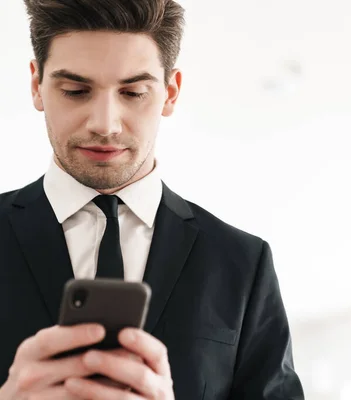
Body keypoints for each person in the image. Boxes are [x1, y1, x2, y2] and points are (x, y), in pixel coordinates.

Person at [0, 0, 305, 399]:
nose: (104, 124)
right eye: (76, 91)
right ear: (37, 85)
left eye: (134, 92)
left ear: (170, 93)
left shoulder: (243, 264)